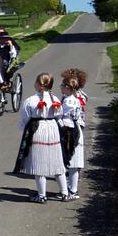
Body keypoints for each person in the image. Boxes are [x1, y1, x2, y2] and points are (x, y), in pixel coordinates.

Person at [15, 73, 69, 203]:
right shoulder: (55, 99)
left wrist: (24, 130)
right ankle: (65, 193)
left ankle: (41, 195)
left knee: (39, 163)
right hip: (53, 130)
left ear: (39, 85)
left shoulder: (30, 101)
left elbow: (25, 118)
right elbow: (60, 115)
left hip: (37, 130)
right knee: (57, 162)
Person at [59, 75, 85, 199]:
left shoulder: (69, 101)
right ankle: (71, 189)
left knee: (72, 161)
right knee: (73, 161)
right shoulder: (71, 98)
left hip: (70, 131)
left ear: (67, 87)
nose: (60, 87)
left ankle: (72, 190)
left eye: (62, 85)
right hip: (73, 129)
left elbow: (63, 115)